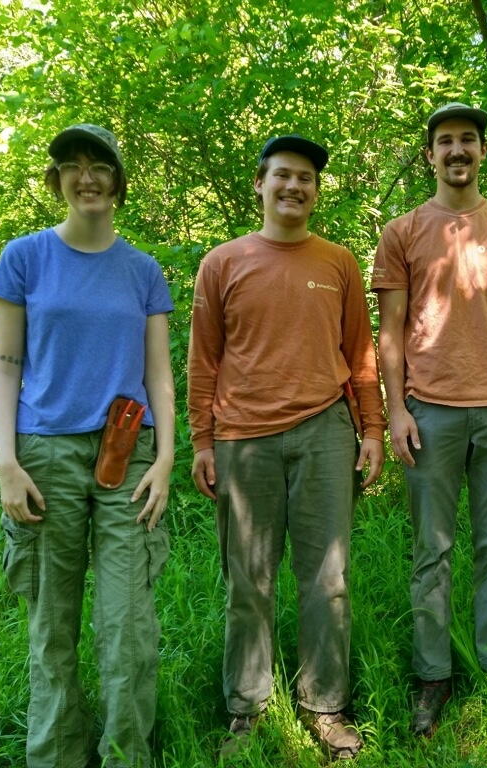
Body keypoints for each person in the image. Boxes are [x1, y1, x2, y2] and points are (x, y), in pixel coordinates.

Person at [187, 134, 386, 761]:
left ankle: (325, 707)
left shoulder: (339, 262)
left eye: (306, 178)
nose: (294, 186)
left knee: (328, 579)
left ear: (316, 191)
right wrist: (201, 441)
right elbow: (203, 360)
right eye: (282, 175)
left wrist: (373, 429)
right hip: (242, 439)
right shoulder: (223, 262)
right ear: (260, 183)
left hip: (325, 431)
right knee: (248, 581)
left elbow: (360, 353)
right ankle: (246, 710)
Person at [0, 123, 175, 768]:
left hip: (130, 454)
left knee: (128, 626)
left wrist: (167, 457)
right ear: (57, 180)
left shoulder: (142, 270)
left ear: (118, 182)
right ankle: (58, 756)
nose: (86, 176)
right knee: (52, 626)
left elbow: (158, 374)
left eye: (99, 166)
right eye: (72, 165)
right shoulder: (24, 258)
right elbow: (5, 366)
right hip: (44, 457)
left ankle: (125, 755)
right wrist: (6, 463)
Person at [373, 102, 487, 736]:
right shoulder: (402, 232)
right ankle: (433, 676)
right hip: (430, 411)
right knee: (432, 550)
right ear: (430, 155)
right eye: (445, 141)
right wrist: (396, 410)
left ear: (482, 151)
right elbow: (390, 331)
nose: (457, 150)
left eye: (467, 139)